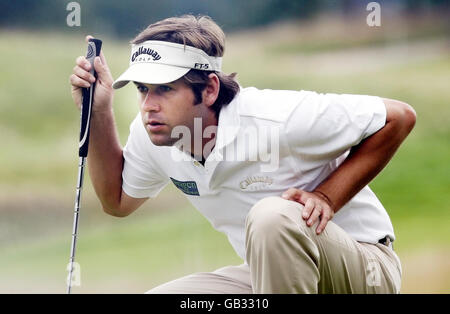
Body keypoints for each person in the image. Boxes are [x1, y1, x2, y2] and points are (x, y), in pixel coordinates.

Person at [69, 15, 416, 294]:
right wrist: (99, 112)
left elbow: (398, 117)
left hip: (364, 269)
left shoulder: (277, 116)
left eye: (164, 89)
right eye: (143, 90)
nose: (148, 106)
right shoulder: (154, 134)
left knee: (273, 217)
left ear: (209, 89)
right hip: (270, 277)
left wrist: (327, 196)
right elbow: (116, 201)